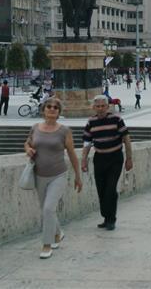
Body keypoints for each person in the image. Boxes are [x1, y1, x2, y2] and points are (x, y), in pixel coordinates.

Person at [23, 96, 82, 259]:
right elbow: (27, 143)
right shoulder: (35, 128)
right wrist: (28, 149)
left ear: (59, 112)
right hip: (39, 175)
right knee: (46, 209)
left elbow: (72, 154)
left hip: (58, 175)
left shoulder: (64, 131)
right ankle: (58, 233)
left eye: (55, 107)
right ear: (43, 110)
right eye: (49, 106)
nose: (52, 109)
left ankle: (46, 244)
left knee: (49, 209)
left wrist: (78, 176)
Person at [81, 96, 133, 231]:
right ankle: (106, 217)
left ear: (108, 106)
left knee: (110, 189)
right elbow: (87, 142)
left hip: (115, 158)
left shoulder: (117, 120)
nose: (100, 109)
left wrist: (129, 158)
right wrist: (83, 160)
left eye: (103, 106)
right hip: (99, 158)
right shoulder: (91, 122)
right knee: (101, 189)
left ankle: (111, 219)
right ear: (94, 107)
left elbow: (126, 139)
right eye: (98, 106)